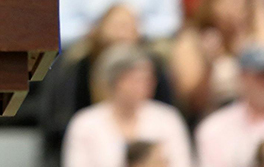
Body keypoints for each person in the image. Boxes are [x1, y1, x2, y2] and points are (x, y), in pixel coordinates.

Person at [171, 0, 264, 118]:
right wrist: (209, 65)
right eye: (229, 1)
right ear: (212, 3)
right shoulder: (192, 40)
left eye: (241, 1)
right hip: (214, 116)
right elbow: (193, 103)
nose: (236, 7)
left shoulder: (259, 34)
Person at [61, 45, 194, 167]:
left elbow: (183, 163)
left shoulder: (167, 118)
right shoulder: (85, 123)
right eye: (135, 79)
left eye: (148, 79)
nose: (144, 86)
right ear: (115, 80)